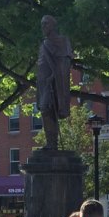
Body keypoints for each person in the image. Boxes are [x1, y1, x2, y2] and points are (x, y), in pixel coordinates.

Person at [36, 15, 73, 151]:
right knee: (45, 110)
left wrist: (53, 76)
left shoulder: (62, 41)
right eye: (42, 24)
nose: (43, 27)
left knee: (47, 109)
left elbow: (65, 63)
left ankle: (53, 143)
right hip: (42, 83)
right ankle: (51, 143)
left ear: (53, 25)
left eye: (45, 24)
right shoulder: (43, 43)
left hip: (53, 82)